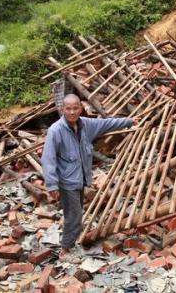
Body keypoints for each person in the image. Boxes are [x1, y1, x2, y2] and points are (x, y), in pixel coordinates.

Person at [41, 94, 135, 258]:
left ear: (80, 108)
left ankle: (70, 241)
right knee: (74, 214)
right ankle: (66, 248)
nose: (72, 112)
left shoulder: (86, 125)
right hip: (66, 181)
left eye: (75, 108)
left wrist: (130, 121)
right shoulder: (55, 130)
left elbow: (107, 123)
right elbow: (48, 158)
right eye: (68, 108)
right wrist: (52, 184)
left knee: (74, 213)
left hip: (80, 178)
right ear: (62, 109)